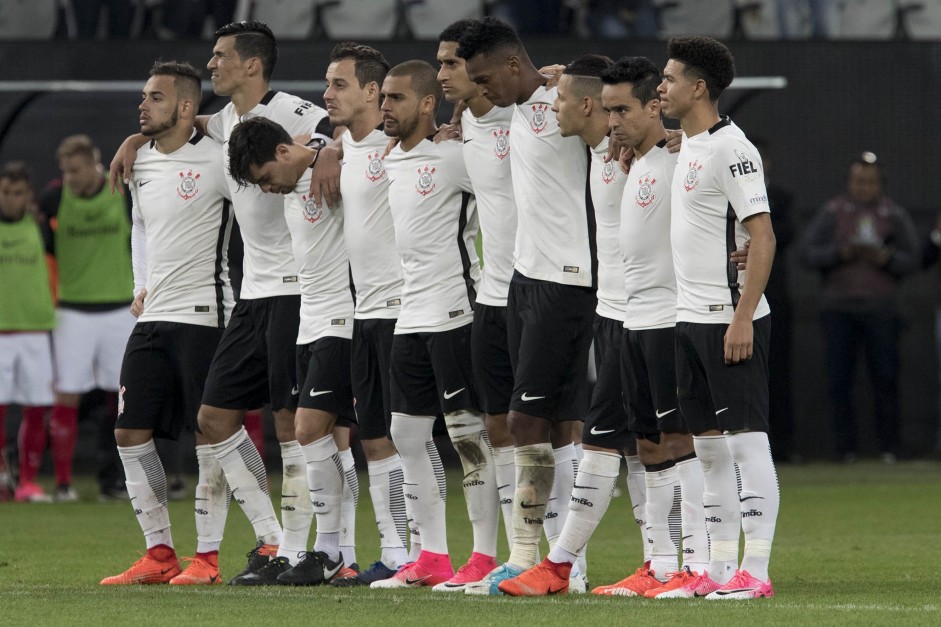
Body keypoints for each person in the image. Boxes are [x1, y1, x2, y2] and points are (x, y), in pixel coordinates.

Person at [110, 20, 335, 584]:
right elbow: (192, 123)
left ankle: (310, 548)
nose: (212, 64)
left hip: (291, 291)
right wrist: (136, 138)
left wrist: (329, 153)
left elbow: (336, 131)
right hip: (250, 298)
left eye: (220, 56)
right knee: (213, 418)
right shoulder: (222, 127)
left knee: (296, 425)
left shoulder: (291, 111)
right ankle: (266, 543)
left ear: (252, 64)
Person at [458, 17, 595, 595]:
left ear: (514, 64)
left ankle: (525, 556)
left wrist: (572, 82)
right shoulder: (506, 110)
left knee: (525, 421)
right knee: (555, 424)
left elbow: (615, 95)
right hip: (524, 280)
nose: (483, 91)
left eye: (487, 78)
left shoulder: (564, 100)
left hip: (566, 280)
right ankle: (568, 566)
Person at [99, 61, 234, 586]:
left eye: (155, 97)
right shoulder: (141, 163)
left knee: (207, 433)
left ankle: (209, 556)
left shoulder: (219, 159)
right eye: (142, 96)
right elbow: (140, 231)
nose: (142, 105)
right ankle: (159, 553)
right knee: (129, 432)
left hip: (206, 313)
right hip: (152, 315)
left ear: (184, 106)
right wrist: (141, 283)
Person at [658, 35, 779, 600]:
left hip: (727, 319)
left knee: (747, 444)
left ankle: (755, 571)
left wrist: (743, 317)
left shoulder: (734, 148)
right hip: (688, 317)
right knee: (707, 450)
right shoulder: (688, 144)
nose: (661, 86)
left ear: (698, 87)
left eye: (669, 78)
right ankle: (718, 570)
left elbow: (763, 236)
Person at [369, 60, 493, 590]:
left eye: (395, 98)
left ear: (426, 103)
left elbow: (510, 184)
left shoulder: (455, 154)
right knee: (405, 434)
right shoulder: (388, 156)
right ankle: (434, 556)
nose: (385, 108)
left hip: (455, 311)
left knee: (468, 436)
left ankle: (485, 555)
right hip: (408, 312)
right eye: (383, 99)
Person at [227, 115, 358, 586]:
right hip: (309, 321)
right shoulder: (298, 171)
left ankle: (335, 551)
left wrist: (331, 151)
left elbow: (359, 141)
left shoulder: (334, 166)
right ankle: (337, 553)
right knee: (328, 438)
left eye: (264, 178)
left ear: (282, 154)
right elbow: (312, 143)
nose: (265, 190)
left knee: (325, 432)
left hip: (346, 317)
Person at [315, 42, 411, 588]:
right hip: (364, 311)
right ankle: (397, 553)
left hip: (411, 308)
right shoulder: (339, 148)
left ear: (374, 92)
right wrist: (330, 148)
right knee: (374, 438)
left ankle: (430, 552)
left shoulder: (405, 146)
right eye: (328, 85)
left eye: (340, 85)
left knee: (413, 437)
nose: (328, 94)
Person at [435, 20, 519, 590]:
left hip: (553, 294)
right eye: (438, 65)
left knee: (557, 428)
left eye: (450, 64)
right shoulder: (463, 136)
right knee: (496, 426)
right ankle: (507, 557)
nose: (443, 74)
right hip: (490, 295)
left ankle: (568, 562)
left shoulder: (540, 114)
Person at [801, 152, 919, 463]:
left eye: (869, 181)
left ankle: (890, 448)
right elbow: (807, 253)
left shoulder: (893, 214)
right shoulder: (833, 211)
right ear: (849, 182)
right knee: (839, 379)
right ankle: (844, 449)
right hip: (838, 309)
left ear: (879, 184)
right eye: (858, 181)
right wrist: (840, 254)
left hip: (882, 310)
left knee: (886, 377)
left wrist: (887, 259)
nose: (863, 187)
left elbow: (913, 259)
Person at [41, 134, 135, 503]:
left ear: (95, 164)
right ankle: (63, 483)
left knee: (123, 397)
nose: (70, 178)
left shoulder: (124, 193)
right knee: (66, 395)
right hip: (71, 311)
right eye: (64, 171)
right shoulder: (53, 199)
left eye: (76, 170)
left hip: (119, 308)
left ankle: (116, 480)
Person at [0, 163, 57, 503]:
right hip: (1, 331)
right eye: (5, 192)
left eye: (18, 192)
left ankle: (28, 483)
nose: (11, 199)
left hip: (36, 328)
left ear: (28, 196)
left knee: (37, 407)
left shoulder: (40, 226)